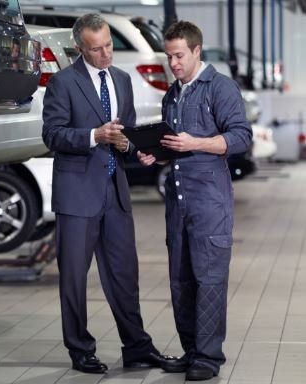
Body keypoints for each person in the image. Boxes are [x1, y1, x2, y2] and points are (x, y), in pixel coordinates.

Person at [42, 13, 175, 374]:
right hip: (77, 195)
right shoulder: (62, 83)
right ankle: (80, 349)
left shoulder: (121, 80)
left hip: (115, 193)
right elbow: (52, 135)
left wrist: (137, 148)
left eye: (109, 46)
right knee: (73, 277)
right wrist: (93, 136)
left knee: (124, 275)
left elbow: (125, 134)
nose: (105, 55)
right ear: (79, 48)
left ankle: (136, 347)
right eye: (96, 49)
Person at [138, 21, 252, 381]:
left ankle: (208, 356)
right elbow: (174, 143)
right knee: (181, 280)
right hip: (179, 202)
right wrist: (157, 154)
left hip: (210, 203)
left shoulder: (220, 88)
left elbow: (240, 137)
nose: (173, 63)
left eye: (179, 55)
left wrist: (196, 143)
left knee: (210, 278)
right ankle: (191, 351)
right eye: (169, 56)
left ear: (196, 51)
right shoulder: (172, 94)